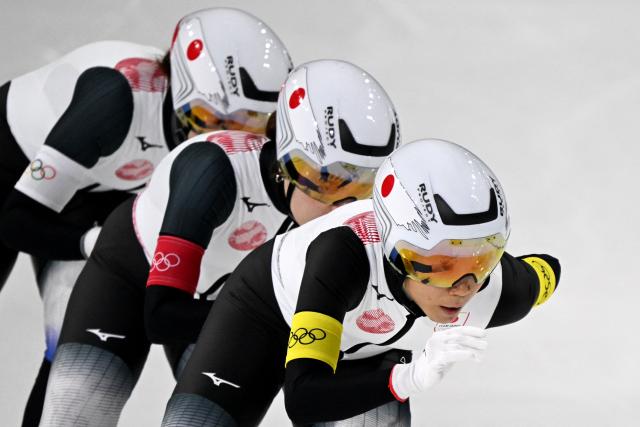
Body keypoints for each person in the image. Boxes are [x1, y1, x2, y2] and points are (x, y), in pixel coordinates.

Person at [39, 59, 400, 426]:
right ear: (289, 162)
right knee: (76, 410)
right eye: (329, 183)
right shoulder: (213, 173)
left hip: (231, 302)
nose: (343, 207)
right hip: (135, 283)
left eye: (363, 188)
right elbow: (161, 316)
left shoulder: (355, 222)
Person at [0, 7, 293, 426]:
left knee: (65, 326)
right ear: (179, 93)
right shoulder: (117, 99)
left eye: (252, 125)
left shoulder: (224, 155)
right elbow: (15, 220)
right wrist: (88, 241)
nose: (225, 138)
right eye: (209, 121)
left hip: (109, 191)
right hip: (15, 167)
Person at [160, 138, 561, 427]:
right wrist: (410, 376)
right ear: (395, 251)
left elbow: (546, 270)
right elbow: (304, 398)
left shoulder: (492, 289)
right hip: (264, 317)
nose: (463, 286)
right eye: (438, 264)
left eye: (481, 258)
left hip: (354, 353)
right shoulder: (342, 255)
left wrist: (496, 266)